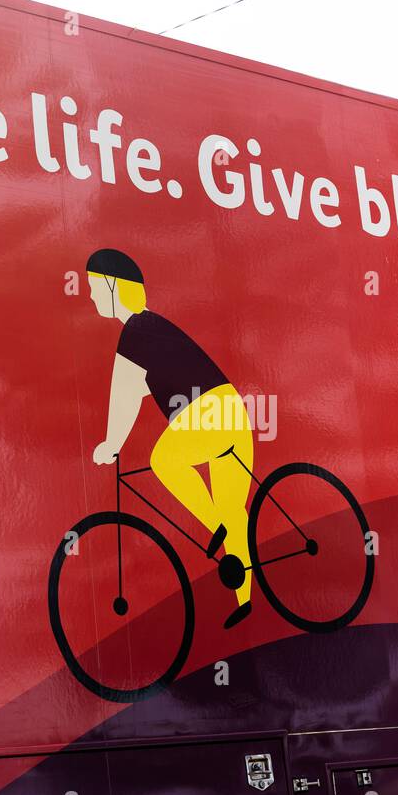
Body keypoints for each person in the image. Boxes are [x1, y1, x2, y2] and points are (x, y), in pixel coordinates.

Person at [85, 248, 255, 629]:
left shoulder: (135, 332)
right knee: (233, 509)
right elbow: (150, 382)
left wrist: (111, 446)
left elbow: (123, 397)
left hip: (207, 415)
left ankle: (216, 527)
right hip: (230, 412)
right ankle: (244, 598)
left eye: (95, 286)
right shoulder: (153, 328)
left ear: (113, 286)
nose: (92, 295)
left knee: (165, 460)